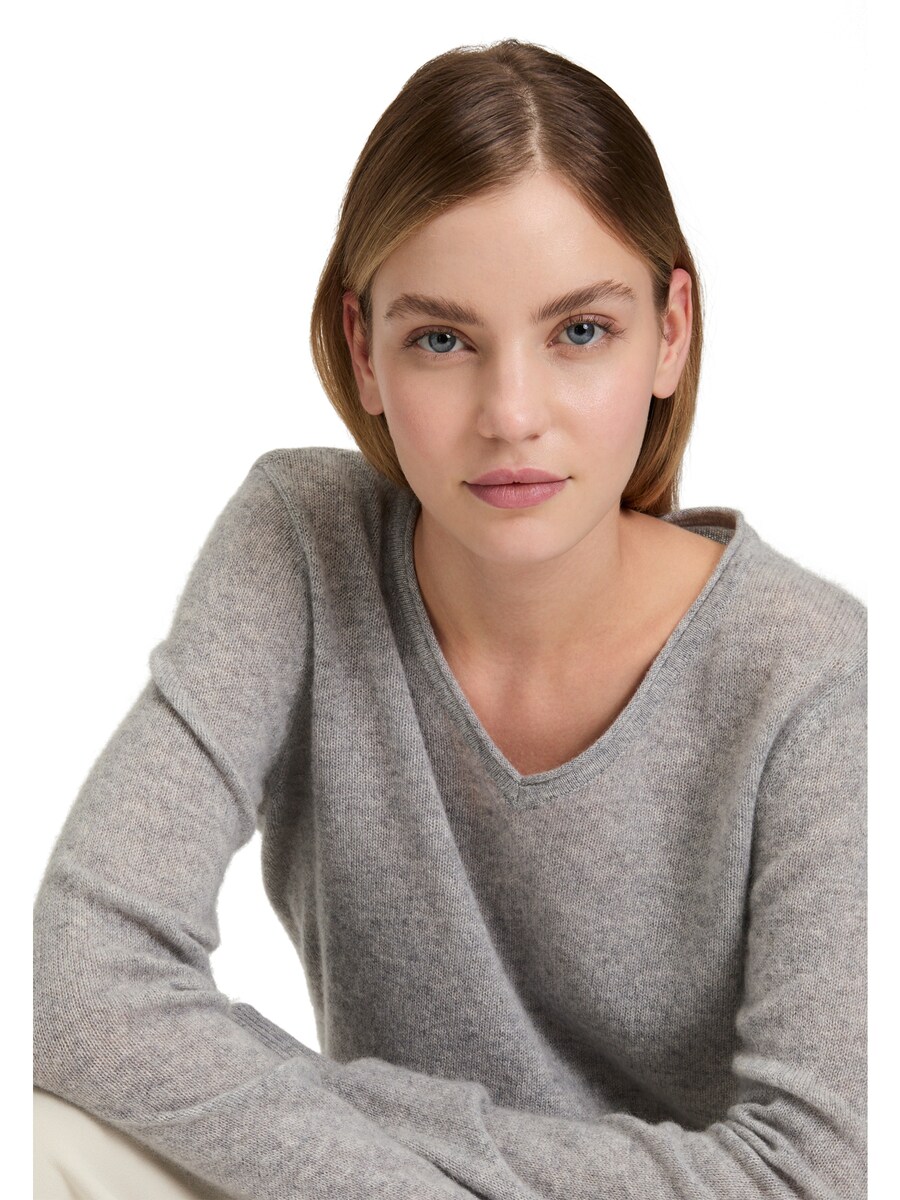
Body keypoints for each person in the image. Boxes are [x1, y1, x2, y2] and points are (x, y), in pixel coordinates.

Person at [33, 37, 866, 1200]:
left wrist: (372, 1118)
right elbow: (77, 974)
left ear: (671, 331)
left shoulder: (815, 671)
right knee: (44, 1132)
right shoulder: (303, 543)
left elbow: (812, 1173)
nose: (510, 414)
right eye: (442, 340)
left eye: (580, 331)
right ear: (363, 350)